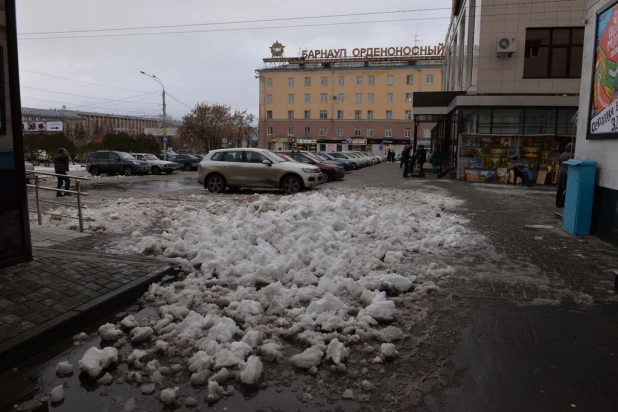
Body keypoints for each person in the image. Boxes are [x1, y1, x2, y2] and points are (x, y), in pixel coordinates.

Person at [556, 143, 574, 208]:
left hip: (560, 172)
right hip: (567, 172)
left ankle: (558, 203)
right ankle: (563, 202)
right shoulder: (572, 155)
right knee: (567, 188)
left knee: (559, 189)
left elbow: (559, 163)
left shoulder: (562, 154)